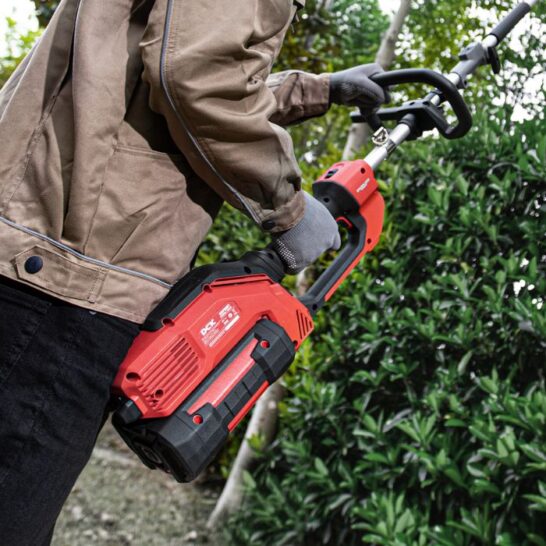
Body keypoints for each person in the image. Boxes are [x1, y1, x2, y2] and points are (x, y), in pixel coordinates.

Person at [0, 0, 387, 543]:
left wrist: (316, 90)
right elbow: (193, 78)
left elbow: (170, 66)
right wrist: (288, 208)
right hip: (71, 284)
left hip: (42, 259)